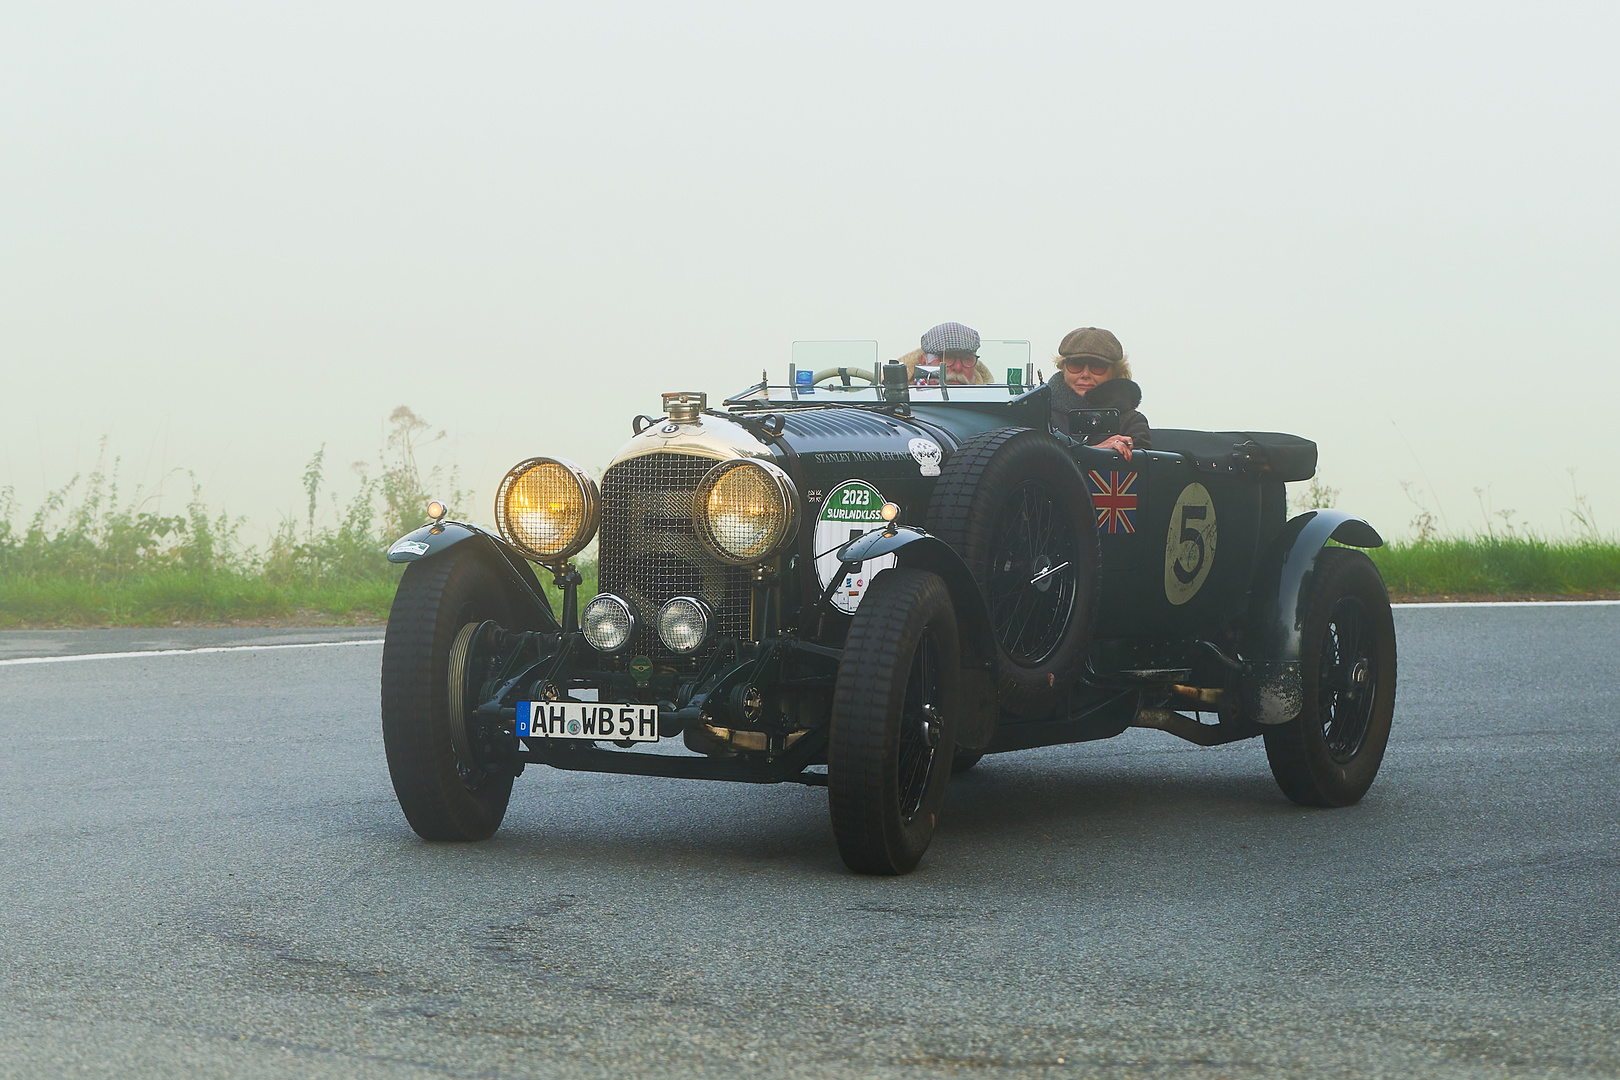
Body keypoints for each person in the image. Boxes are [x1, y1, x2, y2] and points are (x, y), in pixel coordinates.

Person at [1046, 327, 1151, 460]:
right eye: (1075, 365)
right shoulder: (1041, 417)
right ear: (1063, 368)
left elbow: (1137, 472)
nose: (1085, 374)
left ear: (1115, 372)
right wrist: (1097, 451)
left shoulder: (1131, 422)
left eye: (1097, 366)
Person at [898, 322, 995, 385]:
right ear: (924, 361)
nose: (958, 367)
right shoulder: (900, 405)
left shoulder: (990, 401)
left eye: (966, 358)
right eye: (947, 357)